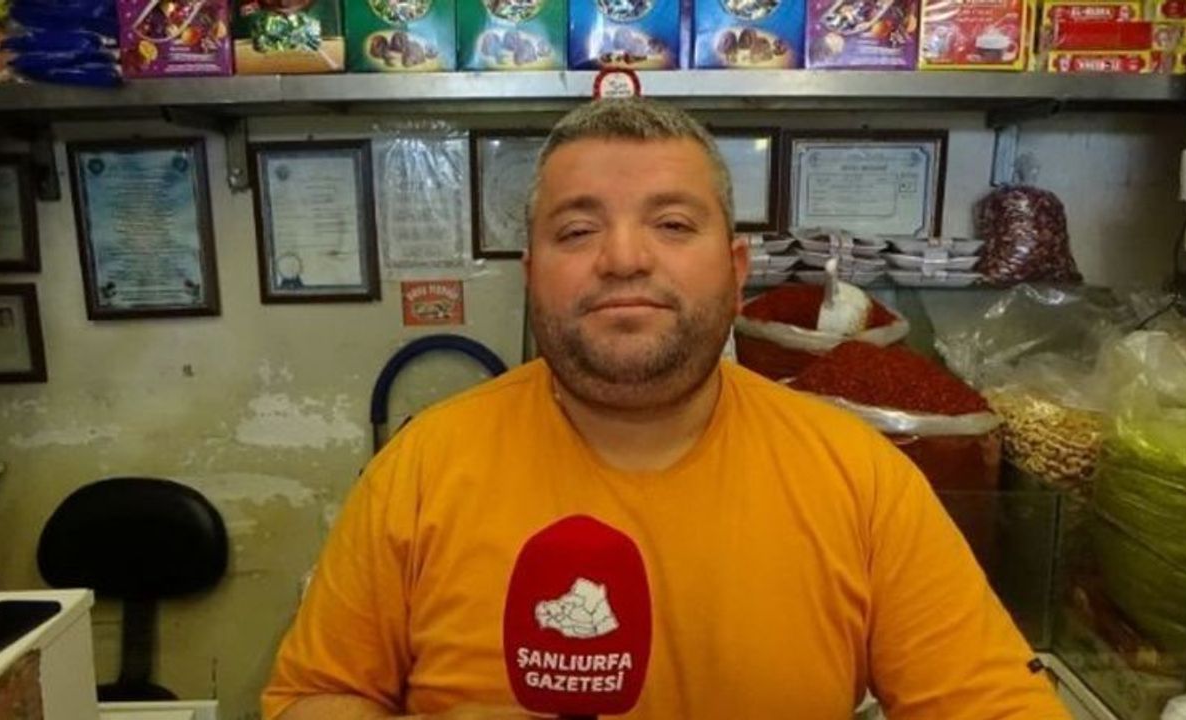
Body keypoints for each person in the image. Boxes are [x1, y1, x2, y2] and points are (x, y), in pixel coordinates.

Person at [263, 98, 1070, 720]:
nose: (623, 257)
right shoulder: (419, 470)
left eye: (673, 224)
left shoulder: (860, 478)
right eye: (577, 230)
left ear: (735, 267)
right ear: (531, 272)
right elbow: (311, 699)